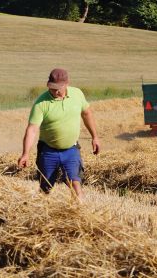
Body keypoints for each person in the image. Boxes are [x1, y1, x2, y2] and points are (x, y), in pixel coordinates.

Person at [17, 68, 100, 198]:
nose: (55, 91)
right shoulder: (41, 103)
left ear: (67, 83)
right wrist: (25, 153)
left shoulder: (77, 94)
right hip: (48, 151)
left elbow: (86, 113)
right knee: (46, 189)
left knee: (75, 184)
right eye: (52, 87)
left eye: (58, 88)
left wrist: (95, 137)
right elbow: (32, 129)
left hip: (71, 149)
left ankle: (80, 213)